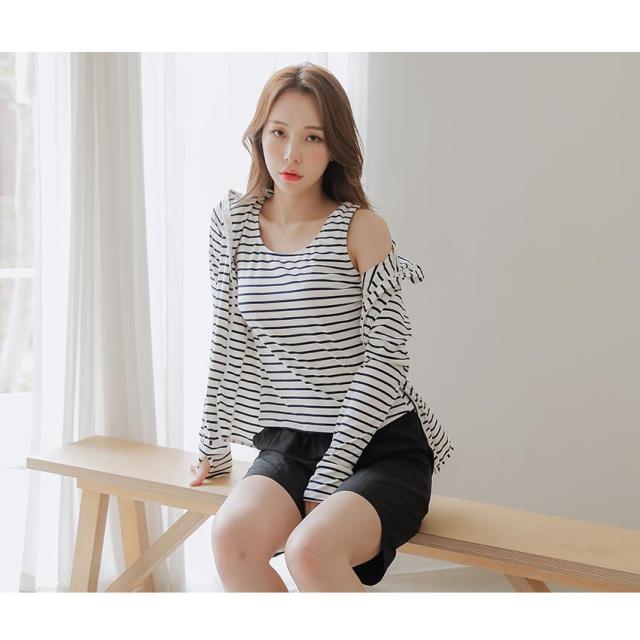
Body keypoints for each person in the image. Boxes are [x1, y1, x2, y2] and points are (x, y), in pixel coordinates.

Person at [189, 62, 454, 592]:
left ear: (335, 146)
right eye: (278, 133)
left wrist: (332, 471)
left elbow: (387, 362)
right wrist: (212, 443)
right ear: (258, 136)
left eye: (313, 137)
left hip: (379, 444)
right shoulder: (232, 223)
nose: (291, 154)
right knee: (231, 540)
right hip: (290, 442)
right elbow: (226, 334)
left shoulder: (361, 229)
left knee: (310, 552)